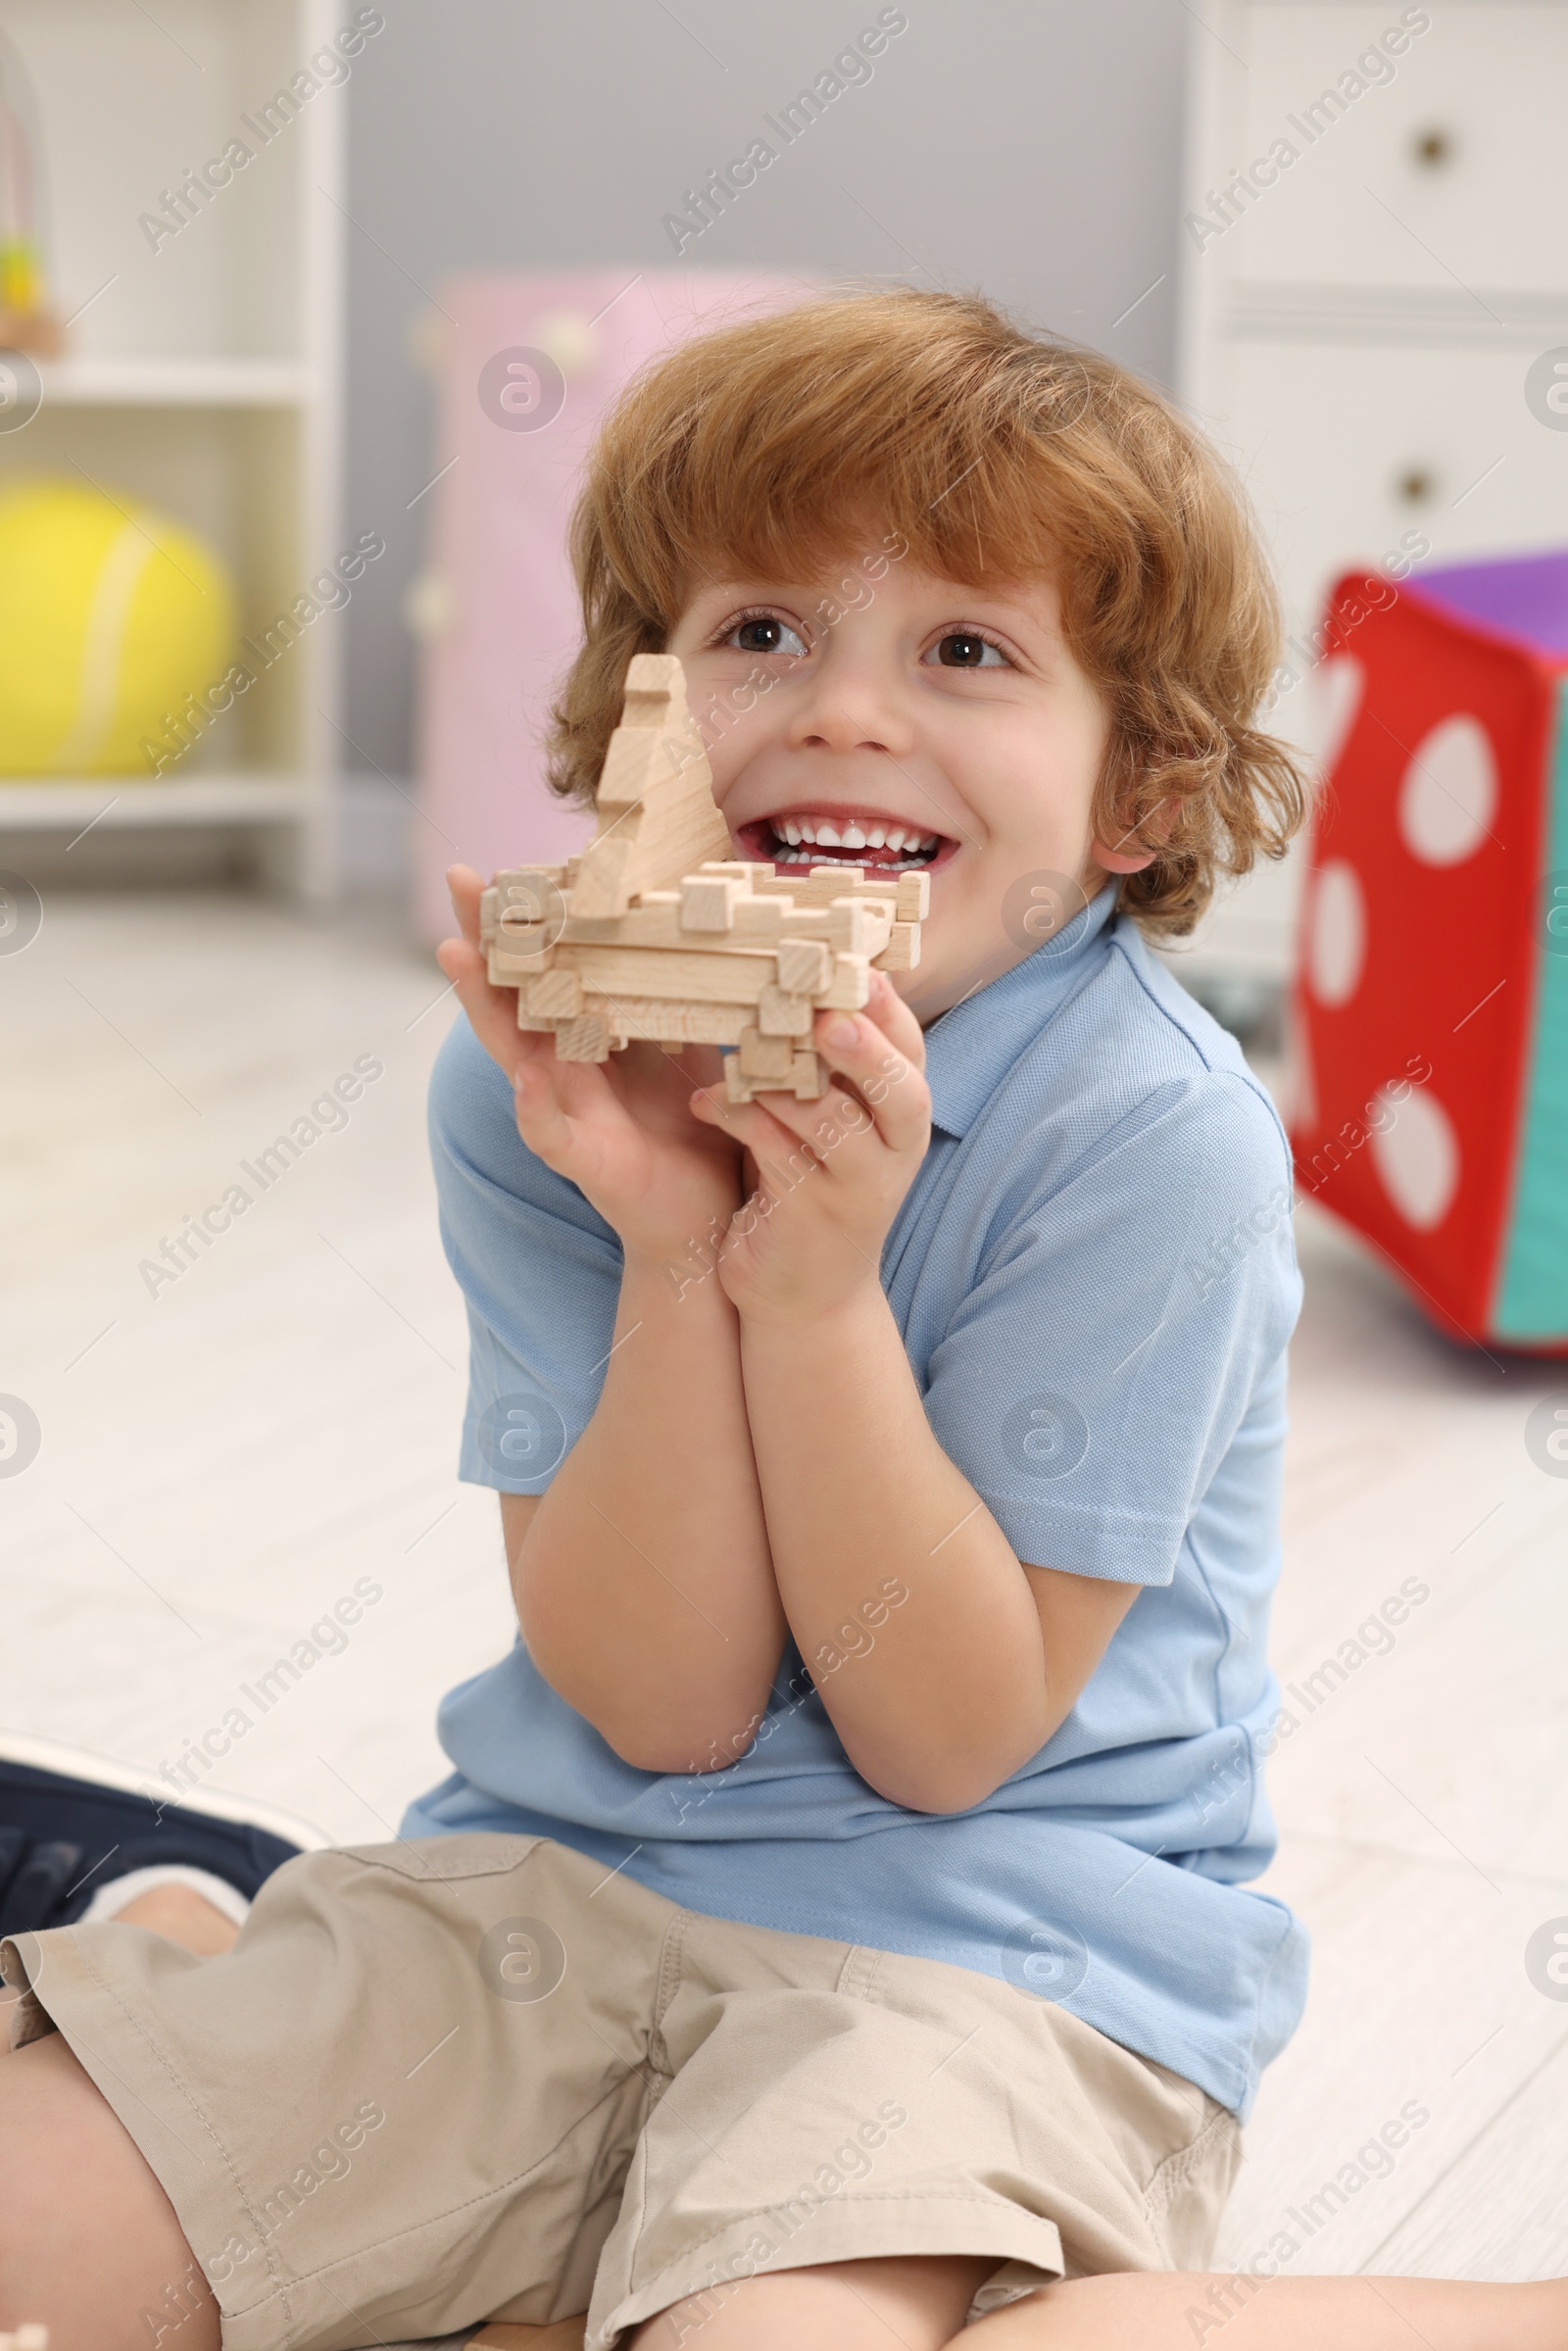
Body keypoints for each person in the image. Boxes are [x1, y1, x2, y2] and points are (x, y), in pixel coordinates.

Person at [4, 291, 1561, 2351]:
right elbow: (660, 1711)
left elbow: (941, 1739)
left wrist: (812, 1289)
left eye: (963, 653)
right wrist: (668, 1246)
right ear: (638, 724)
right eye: (756, 635)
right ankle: (313, 2045)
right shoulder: (542, 1084)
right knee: (43, 2239)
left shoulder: (1149, 1142)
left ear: (1135, 800)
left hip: (988, 1960)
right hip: (556, 1896)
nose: (837, 712)